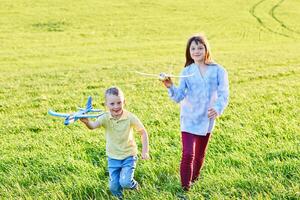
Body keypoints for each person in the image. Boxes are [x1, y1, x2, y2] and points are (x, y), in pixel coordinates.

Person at [162, 33, 229, 191]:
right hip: (189, 117)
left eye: (200, 47)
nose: (197, 51)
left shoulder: (218, 70)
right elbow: (179, 96)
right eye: (193, 48)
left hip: (207, 118)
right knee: (188, 154)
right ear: (189, 51)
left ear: (206, 49)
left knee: (199, 155)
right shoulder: (187, 70)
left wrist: (218, 108)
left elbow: (224, 93)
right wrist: (170, 85)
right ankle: (185, 189)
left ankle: (194, 179)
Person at [80, 86, 150, 199]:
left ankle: (134, 186)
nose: (116, 106)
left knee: (125, 182)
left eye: (119, 102)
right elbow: (93, 126)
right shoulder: (105, 117)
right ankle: (120, 197)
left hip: (128, 155)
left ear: (124, 102)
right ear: (106, 105)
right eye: (112, 104)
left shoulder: (130, 117)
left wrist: (145, 151)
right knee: (113, 187)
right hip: (113, 157)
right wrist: (87, 122)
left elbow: (143, 132)